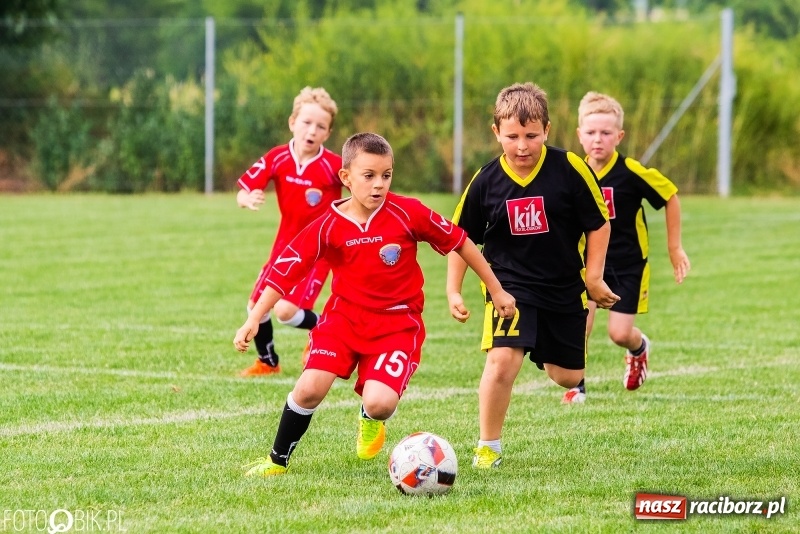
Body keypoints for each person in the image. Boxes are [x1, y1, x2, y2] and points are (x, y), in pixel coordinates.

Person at [233, 132, 516, 477]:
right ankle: (277, 461)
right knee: (308, 389)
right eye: (369, 176)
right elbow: (284, 271)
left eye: (387, 175)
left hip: (397, 325)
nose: (379, 184)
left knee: (380, 403)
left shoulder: (407, 212)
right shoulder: (327, 225)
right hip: (343, 320)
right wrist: (254, 318)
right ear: (346, 177)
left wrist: (497, 290)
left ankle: (370, 418)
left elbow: (462, 242)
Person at [446, 82, 619, 470]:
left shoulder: (569, 168)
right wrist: (453, 290)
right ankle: (488, 446)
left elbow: (599, 223)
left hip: (563, 286)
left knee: (568, 376)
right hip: (509, 286)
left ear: (547, 130)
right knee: (503, 361)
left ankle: (539, 341)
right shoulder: (486, 180)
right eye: (512, 136)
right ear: (496, 133)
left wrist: (593, 278)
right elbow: (460, 237)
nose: (521, 145)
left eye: (531, 135)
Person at [576, 91, 690, 392]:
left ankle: (638, 349)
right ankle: (577, 386)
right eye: (590, 132)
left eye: (605, 132)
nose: (597, 139)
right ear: (579, 135)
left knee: (619, 333)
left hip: (627, 265)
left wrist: (674, 247)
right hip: (587, 264)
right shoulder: (574, 173)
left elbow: (670, 195)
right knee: (579, 325)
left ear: (619, 135)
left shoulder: (630, 172)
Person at [236, 86, 343, 376]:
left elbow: (362, 187)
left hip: (319, 251)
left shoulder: (335, 166)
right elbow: (247, 187)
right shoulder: (278, 157)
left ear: (328, 133)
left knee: (285, 311)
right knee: (255, 307)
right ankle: (268, 362)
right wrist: (245, 198)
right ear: (292, 122)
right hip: (284, 247)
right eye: (306, 122)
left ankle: (327, 329)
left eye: (321, 126)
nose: (312, 130)